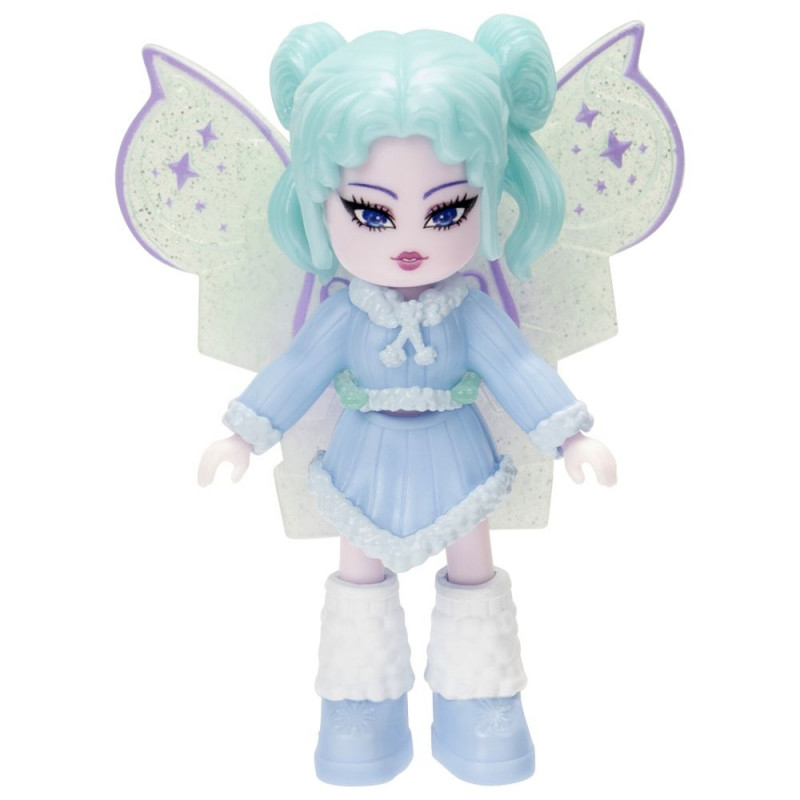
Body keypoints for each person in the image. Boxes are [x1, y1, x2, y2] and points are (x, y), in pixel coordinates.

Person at [198, 16, 616, 786]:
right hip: (362, 458)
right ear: (321, 202)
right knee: (358, 571)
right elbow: (298, 368)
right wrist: (243, 434)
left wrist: (570, 435)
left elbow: (517, 366)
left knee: (473, 570)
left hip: (460, 456)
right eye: (371, 212)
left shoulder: (470, 311)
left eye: (448, 209)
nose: (411, 239)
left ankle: (481, 699)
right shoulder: (345, 314)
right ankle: (360, 705)